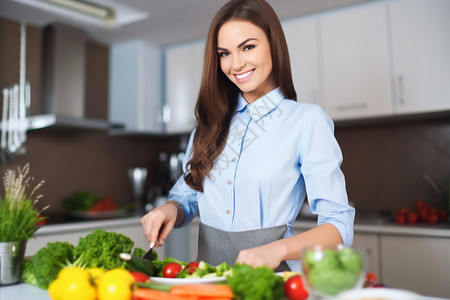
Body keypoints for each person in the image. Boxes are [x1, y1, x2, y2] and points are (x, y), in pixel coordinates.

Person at [141, 0, 355, 272]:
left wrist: (277, 250)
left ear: (273, 44)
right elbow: (189, 196)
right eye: (224, 53)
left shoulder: (306, 121)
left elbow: (338, 224)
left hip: (273, 278)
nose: (236, 64)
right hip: (208, 279)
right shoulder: (207, 127)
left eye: (248, 47)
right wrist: (170, 209)